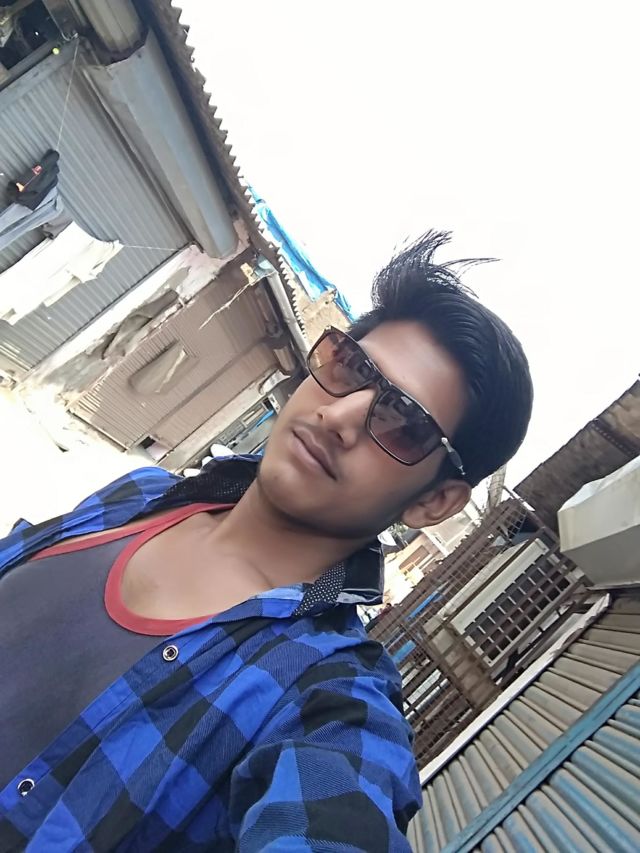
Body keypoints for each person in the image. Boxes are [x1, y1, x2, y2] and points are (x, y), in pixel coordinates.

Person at [0, 231, 533, 851]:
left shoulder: (326, 699)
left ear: (433, 502)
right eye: (353, 368)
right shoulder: (142, 495)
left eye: (405, 423)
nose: (339, 417)